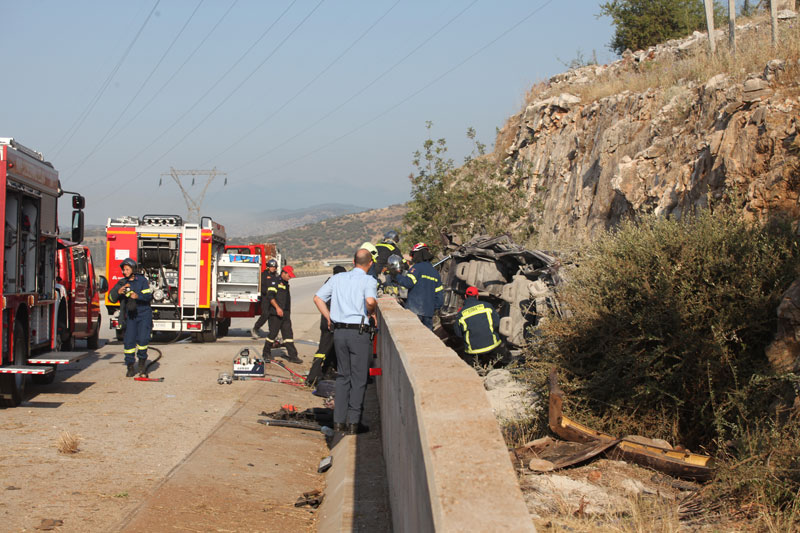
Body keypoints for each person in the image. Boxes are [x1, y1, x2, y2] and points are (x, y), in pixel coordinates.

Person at [313, 248, 377, 435]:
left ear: (353, 261)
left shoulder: (338, 278)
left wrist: (329, 318)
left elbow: (318, 299)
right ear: (370, 263)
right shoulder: (369, 280)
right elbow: (371, 302)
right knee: (358, 379)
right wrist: (371, 311)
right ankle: (354, 423)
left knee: (343, 377)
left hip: (339, 332)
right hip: (359, 333)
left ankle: (338, 422)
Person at [108, 258, 153, 377]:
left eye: (127, 269)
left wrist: (137, 296)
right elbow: (111, 299)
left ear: (133, 269)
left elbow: (148, 296)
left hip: (143, 314)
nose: (124, 272)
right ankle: (130, 366)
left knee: (143, 340)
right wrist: (119, 292)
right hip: (131, 316)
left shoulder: (142, 281)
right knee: (129, 342)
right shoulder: (122, 283)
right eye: (123, 270)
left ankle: (142, 365)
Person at [306, 265, 347, 386]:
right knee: (324, 349)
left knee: (332, 348)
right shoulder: (337, 284)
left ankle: (327, 372)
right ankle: (312, 378)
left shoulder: (330, 283)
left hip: (328, 319)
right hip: (330, 321)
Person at [454, 286, 509, 365]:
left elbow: (458, 334)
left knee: (469, 365)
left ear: (465, 296)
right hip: (492, 347)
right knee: (505, 360)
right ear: (477, 296)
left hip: (473, 352)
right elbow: (497, 323)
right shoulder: (487, 306)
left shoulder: (461, 314)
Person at [395, 242, 444, 330]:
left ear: (418, 254)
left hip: (414, 311)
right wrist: (431, 308)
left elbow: (408, 283)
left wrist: (396, 275)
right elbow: (440, 298)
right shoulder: (435, 272)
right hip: (428, 314)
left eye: (413, 255)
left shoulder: (416, 268)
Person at [262, 265, 301, 364]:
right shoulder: (274, 281)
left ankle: (293, 356)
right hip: (276, 313)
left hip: (286, 313)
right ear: (283, 273)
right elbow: (270, 297)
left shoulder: (286, 283)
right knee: (273, 334)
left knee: (288, 335)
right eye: (289, 275)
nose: (290, 277)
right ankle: (266, 353)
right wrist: (277, 308)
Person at [252, 258, 279, 338]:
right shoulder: (264, 275)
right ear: (268, 267)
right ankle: (255, 328)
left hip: (274, 299)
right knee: (265, 314)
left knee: (273, 315)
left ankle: (272, 333)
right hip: (266, 298)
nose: (273, 268)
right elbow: (262, 287)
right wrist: (267, 292)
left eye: (274, 267)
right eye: (271, 267)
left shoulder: (277, 276)